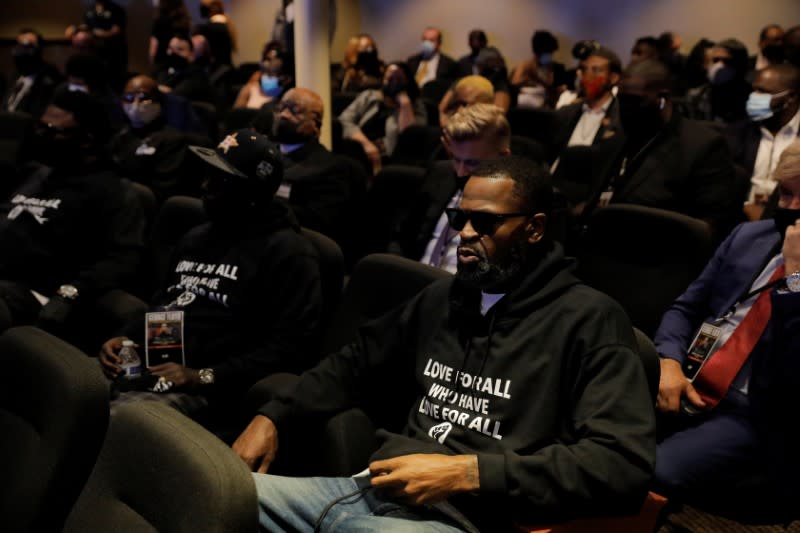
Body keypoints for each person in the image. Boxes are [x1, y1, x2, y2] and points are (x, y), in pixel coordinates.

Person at [233, 155, 656, 532]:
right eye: (459, 219)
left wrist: (468, 473)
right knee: (213, 490)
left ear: (534, 228)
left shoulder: (589, 320)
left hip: (469, 518)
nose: (465, 234)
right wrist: (274, 415)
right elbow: (354, 361)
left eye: (485, 222)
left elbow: (622, 466)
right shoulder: (444, 298)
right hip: (366, 491)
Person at [99, 129, 322, 419]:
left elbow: (289, 351)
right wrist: (125, 338)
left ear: (251, 192)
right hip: (158, 365)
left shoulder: (291, 255)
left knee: (122, 421)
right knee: (74, 390)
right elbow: (168, 303)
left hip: (215, 389)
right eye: (208, 174)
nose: (205, 185)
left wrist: (201, 375)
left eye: (220, 179)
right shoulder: (197, 237)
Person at [652, 140, 800, 522]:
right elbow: (684, 309)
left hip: (756, 413)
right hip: (687, 379)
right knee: (593, 432)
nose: (791, 209)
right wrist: (668, 361)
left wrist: (796, 276)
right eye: (785, 193)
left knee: (656, 468)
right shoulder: (749, 237)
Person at [0, 87, 145, 334]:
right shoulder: (37, 173)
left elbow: (122, 260)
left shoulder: (113, 191)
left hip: (38, 294)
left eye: (52, 131)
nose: (40, 135)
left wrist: (71, 292)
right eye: (39, 127)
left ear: (86, 139)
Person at [584, 59, 746, 243]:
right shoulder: (618, 138)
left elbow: (710, 227)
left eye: (635, 100)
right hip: (602, 240)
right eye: (622, 100)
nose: (626, 109)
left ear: (663, 99)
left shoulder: (702, 146)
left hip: (658, 251)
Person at [390, 103, 511, 271]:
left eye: (472, 163)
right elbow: (403, 238)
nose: (461, 172)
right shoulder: (441, 172)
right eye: (456, 159)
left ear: (503, 157)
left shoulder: (515, 204)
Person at [269, 88, 368, 262]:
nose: (283, 115)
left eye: (294, 110)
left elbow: (318, 225)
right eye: (281, 107)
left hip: (297, 253)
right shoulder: (265, 154)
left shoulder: (332, 168)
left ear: (315, 123)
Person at [109, 75, 213, 203]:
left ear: (159, 101)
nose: (135, 105)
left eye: (143, 98)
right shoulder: (120, 135)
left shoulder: (173, 140)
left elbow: (163, 193)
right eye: (129, 98)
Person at [724, 64, 799, 220]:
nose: (754, 97)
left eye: (763, 92)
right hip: (741, 215)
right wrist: (745, 207)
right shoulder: (736, 132)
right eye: (754, 90)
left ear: (790, 97)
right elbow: (725, 184)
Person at [338, 61, 427, 174]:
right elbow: (344, 120)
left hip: (390, 158)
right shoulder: (369, 96)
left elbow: (409, 137)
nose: (392, 82)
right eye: (389, 78)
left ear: (406, 80)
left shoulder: (415, 106)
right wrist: (367, 144)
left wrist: (405, 104)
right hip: (360, 148)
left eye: (397, 79)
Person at [549, 46, 623, 163]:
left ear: (613, 78)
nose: (587, 76)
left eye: (596, 70)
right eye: (584, 70)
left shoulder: (621, 119)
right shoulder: (565, 113)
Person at [685, 39, 751, 124]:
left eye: (727, 61)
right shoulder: (695, 97)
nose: (719, 66)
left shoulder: (751, 98)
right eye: (715, 60)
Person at [66, 0, 128, 89]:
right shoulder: (90, 10)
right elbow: (85, 26)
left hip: (113, 55)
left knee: (113, 84)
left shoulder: (116, 10)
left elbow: (116, 31)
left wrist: (97, 34)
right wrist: (75, 29)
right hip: (95, 54)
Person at [2, 28, 62, 118]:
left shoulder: (48, 75)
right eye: (19, 45)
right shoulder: (16, 75)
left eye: (27, 45)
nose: (21, 50)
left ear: (38, 49)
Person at [154, 33, 220, 106]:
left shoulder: (196, 73)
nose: (173, 52)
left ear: (191, 54)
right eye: (171, 48)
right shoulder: (162, 69)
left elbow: (176, 96)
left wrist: (155, 88)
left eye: (180, 49)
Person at [510, 30, 567, 110]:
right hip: (525, 109)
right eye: (547, 52)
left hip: (546, 109)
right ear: (537, 52)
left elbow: (557, 92)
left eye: (550, 52)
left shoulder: (557, 68)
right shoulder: (525, 66)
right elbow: (514, 84)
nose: (549, 55)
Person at [233, 42, 293, 110]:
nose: (266, 63)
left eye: (271, 59)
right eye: (266, 59)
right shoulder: (251, 88)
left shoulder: (288, 98)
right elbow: (235, 116)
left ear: (286, 79)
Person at [195, 0, 238, 68]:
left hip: (222, 72)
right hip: (228, 68)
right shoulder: (224, 23)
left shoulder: (212, 27)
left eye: (202, 6)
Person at [149, 0, 192, 68]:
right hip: (182, 66)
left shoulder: (160, 21)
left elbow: (154, 46)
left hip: (163, 66)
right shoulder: (184, 21)